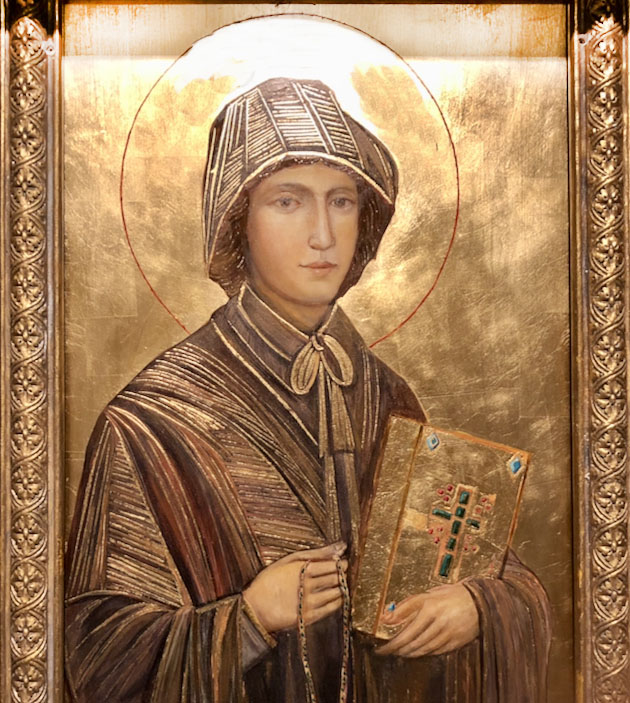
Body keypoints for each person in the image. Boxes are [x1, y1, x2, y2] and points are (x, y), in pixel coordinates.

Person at [65, 77, 551, 703]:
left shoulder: (385, 395)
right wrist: (247, 619)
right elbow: (97, 654)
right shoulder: (153, 420)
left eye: (342, 201)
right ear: (237, 221)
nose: (323, 234)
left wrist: (479, 604)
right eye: (288, 200)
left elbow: (456, 550)